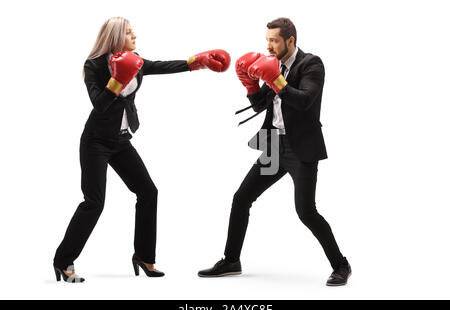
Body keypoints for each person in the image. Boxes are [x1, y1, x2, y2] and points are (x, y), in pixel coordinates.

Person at [53, 16, 230, 283]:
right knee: (94, 202)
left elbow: (162, 66)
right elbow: (99, 104)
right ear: (115, 37)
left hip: (121, 140)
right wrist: (117, 80)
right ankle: (63, 261)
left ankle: (144, 256)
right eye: (128, 32)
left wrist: (197, 62)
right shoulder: (94, 65)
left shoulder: (135, 60)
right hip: (96, 141)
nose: (134, 35)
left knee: (148, 191)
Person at [198, 18, 351, 286]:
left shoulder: (311, 64)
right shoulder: (273, 64)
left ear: (290, 41)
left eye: (274, 41)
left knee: (306, 212)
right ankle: (231, 260)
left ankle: (341, 265)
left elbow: (304, 101)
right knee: (242, 197)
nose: (268, 46)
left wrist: (277, 79)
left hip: (300, 148)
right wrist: (250, 85)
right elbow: (261, 105)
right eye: (267, 40)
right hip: (272, 145)